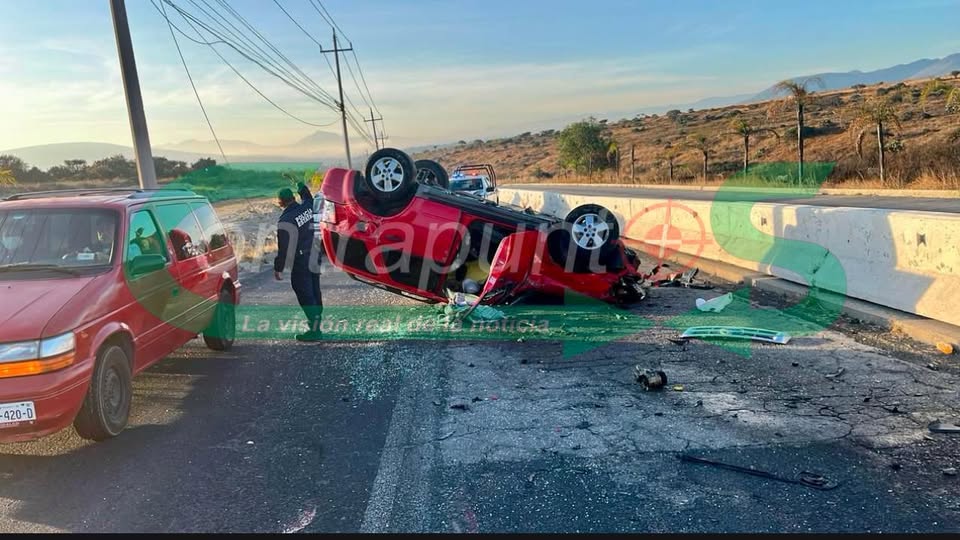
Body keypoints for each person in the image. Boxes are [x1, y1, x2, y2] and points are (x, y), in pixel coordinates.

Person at [274, 181, 323, 342]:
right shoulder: (307, 207)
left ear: (280, 202)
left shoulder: (285, 220)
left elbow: (283, 250)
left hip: (301, 261)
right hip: (315, 255)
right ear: (293, 198)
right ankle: (316, 325)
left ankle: (314, 330)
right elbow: (308, 196)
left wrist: (278, 268)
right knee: (315, 289)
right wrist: (299, 183)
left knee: (305, 293)